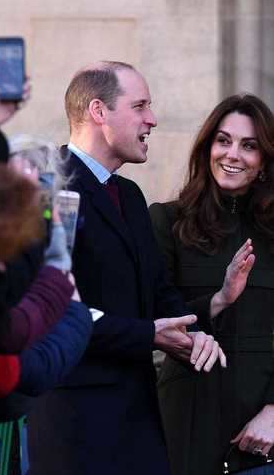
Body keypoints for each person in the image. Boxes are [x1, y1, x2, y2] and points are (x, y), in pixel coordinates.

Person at [28, 61, 227, 475]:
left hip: (139, 424)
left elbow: (158, 290)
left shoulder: (131, 195)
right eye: (140, 106)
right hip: (76, 429)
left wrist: (192, 335)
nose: (152, 119)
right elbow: (55, 311)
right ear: (99, 111)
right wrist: (148, 334)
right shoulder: (48, 187)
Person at [150, 93, 273, 475]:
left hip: (262, 438)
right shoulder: (166, 222)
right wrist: (218, 299)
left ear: (265, 161)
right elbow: (154, 317)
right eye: (223, 140)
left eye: (249, 146)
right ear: (208, 148)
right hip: (185, 430)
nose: (232, 154)